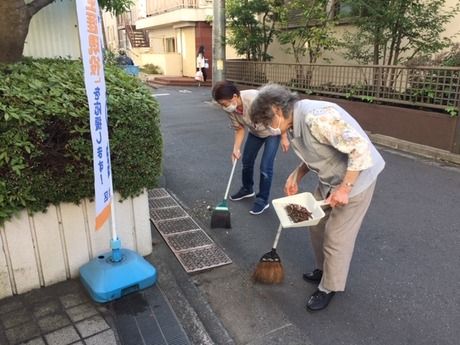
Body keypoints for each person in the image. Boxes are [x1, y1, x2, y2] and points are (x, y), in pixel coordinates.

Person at [249, 84, 385, 311]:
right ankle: (323, 270)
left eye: (267, 122)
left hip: (356, 180)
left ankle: (329, 286)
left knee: (336, 237)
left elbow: (360, 149)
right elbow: (318, 150)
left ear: (276, 110)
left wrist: (345, 189)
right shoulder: (291, 122)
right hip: (329, 179)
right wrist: (297, 174)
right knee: (316, 224)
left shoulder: (319, 117)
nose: (268, 128)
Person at [212, 81, 290, 214]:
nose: (224, 107)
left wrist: (283, 137)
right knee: (246, 161)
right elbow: (240, 128)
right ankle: (247, 189)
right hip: (255, 133)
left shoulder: (255, 99)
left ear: (235, 97)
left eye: (224, 104)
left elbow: (278, 115)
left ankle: (262, 200)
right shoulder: (231, 108)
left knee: (265, 167)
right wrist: (236, 148)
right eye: (221, 105)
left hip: (272, 132)